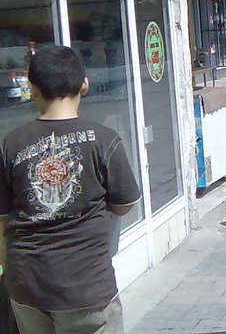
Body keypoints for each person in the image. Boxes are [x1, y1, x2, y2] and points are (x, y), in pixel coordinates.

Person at [0, 46, 141, 334]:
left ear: (32, 89)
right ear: (84, 84)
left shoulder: (11, 144)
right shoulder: (104, 140)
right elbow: (126, 203)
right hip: (86, 286)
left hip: (27, 285)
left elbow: (2, 215)